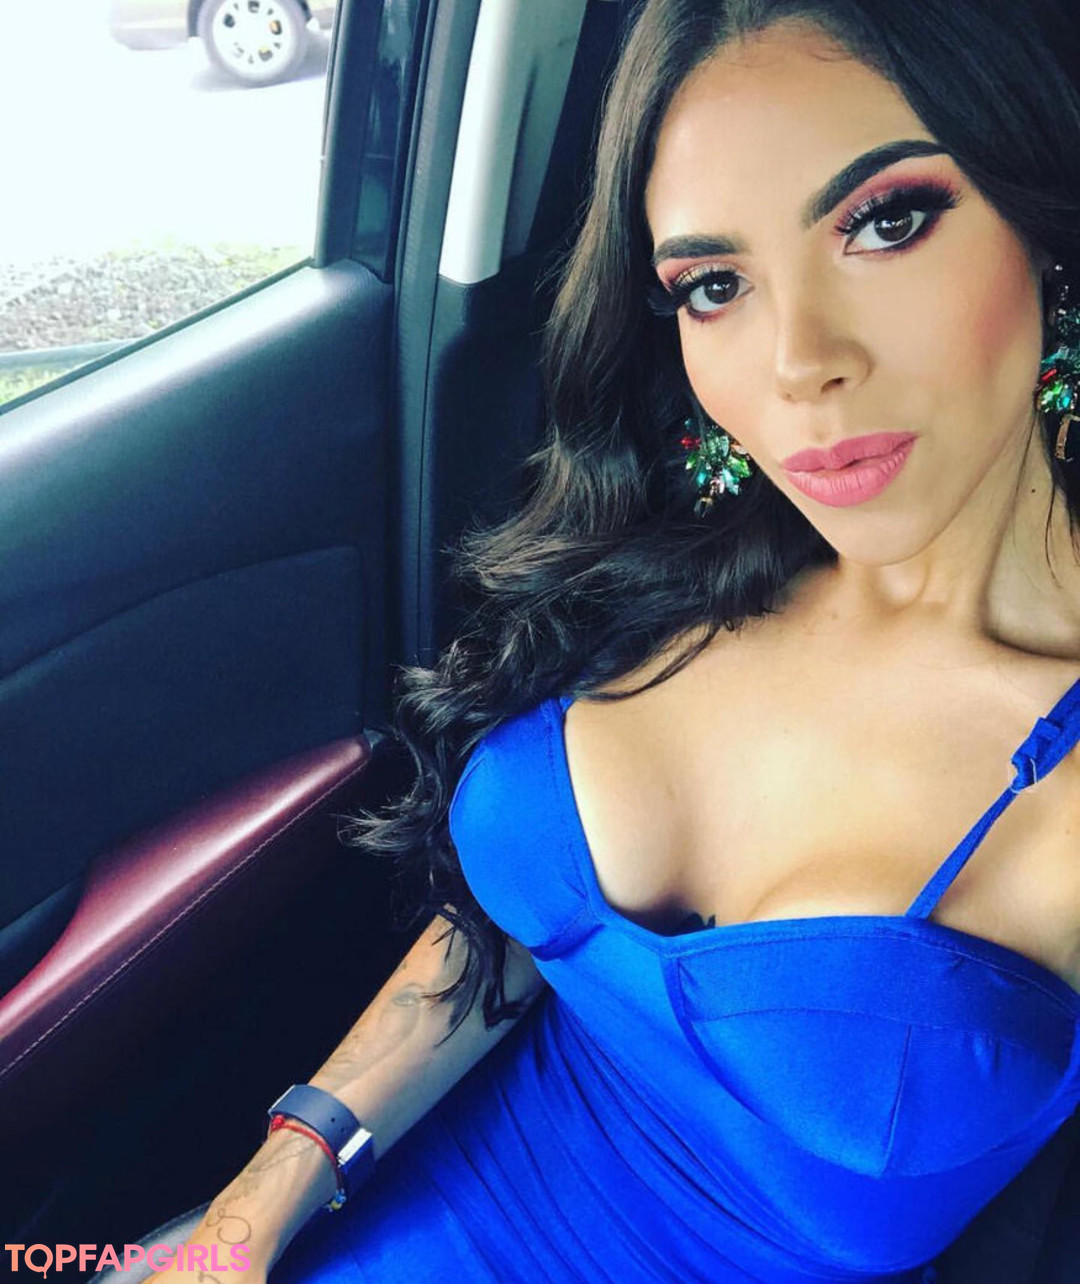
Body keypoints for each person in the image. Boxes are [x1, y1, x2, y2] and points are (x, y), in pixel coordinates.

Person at [155, 0, 1080, 1280]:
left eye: (885, 222)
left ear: (1046, 226)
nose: (798, 362)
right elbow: (516, 936)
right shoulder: (666, 559)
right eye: (715, 286)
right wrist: (254, 1210)